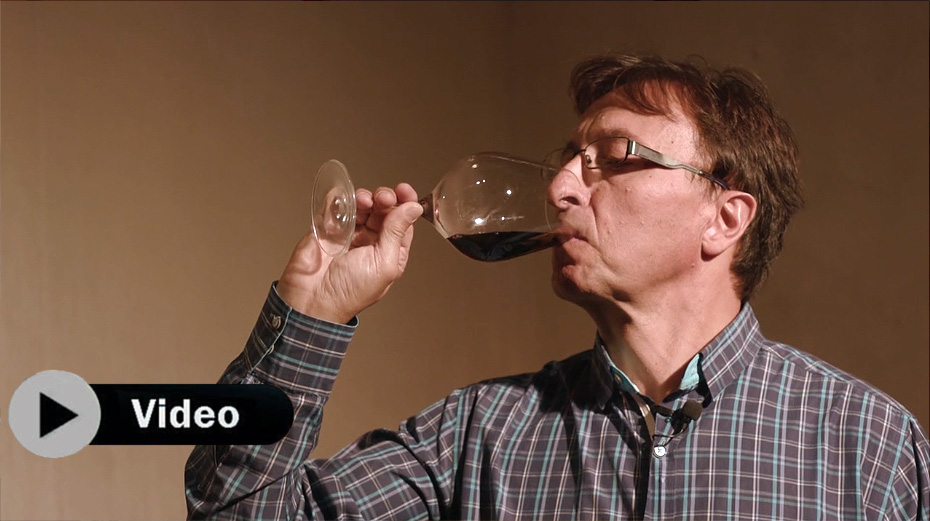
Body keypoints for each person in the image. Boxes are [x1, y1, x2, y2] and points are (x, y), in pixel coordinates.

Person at [185, 53, 930, 520]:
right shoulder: (479, 434)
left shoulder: (867, 445)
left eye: (617, 155)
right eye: (569, 158)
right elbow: (236, 512)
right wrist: (312, 316)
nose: (563, 187)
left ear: (724, 217)